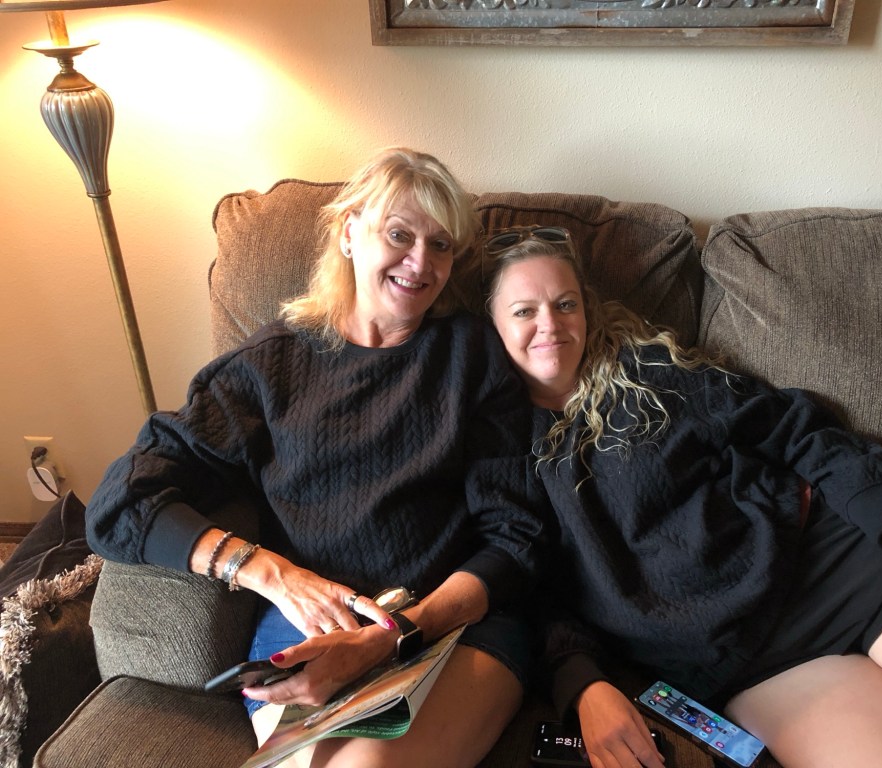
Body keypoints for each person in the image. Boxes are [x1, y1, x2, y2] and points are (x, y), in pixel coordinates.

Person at [481, 227, 882, 768]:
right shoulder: (501, 452)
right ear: (492, 326)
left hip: (834, 569)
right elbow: (530, 585)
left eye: (565, 304)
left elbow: (797, 429)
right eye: (525, 311)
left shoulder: (653, 374)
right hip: (752, 669)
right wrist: (581, 683)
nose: (550, 324)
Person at [85, 148, 544, 768]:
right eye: (400, 235)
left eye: (440, 245)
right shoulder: (269, 367)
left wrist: (391, 636)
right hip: (310, 627)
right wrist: (268, 572)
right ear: (349, 232)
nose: (421, 263)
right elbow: (122, 502)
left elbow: (515, 537)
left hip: (452, 622)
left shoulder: (473, 357)